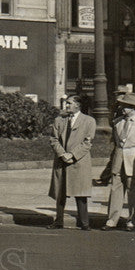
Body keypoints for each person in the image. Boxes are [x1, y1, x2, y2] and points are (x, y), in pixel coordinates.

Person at [104, 91, 135, 231]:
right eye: (123, 105)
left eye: (127, 106)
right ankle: (111, 220)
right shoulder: (118, 122)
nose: (123, 108)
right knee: (115, 190)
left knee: (134, 193)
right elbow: (116, 142)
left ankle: (132, 221)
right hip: (119, 160)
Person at [47, 94, 95, 230]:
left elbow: (88, 142)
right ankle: (58, 221)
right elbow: (53, 139)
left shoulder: (89, 121)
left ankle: (84, 222)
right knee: (60, 192)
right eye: (66, 103)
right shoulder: (59, 120)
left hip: (78, 161)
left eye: (69, 103)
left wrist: (72, 155)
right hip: (61, 160)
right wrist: (62, 154)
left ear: (77, 105)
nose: (66, 106)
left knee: (80, 193)